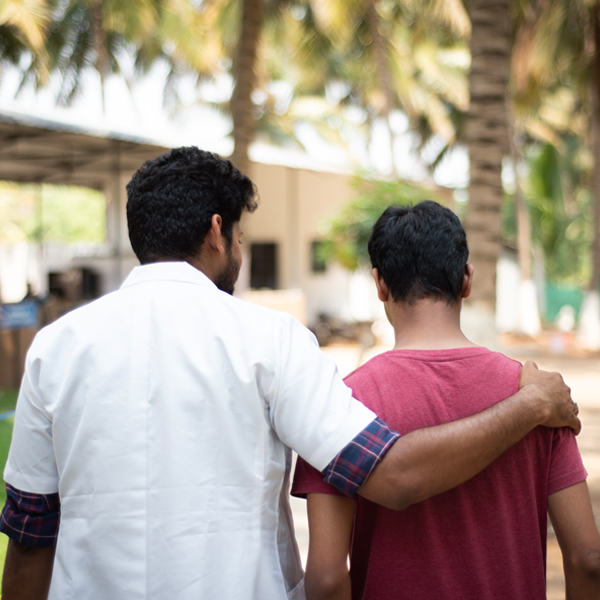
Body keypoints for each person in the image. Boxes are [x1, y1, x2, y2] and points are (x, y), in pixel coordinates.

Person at [0, 149, 580, 600]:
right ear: (215, 231)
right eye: (242, 239)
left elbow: (29, 539)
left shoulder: (54, 350)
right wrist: (529, 407)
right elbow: (395, 476)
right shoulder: (268, 341)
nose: (240, 252)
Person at [292, 201, 599, 600]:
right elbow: (589, 560)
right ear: (467, 279)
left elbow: (329, 578)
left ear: (380, 284)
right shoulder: (538, 393)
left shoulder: (344, 403)